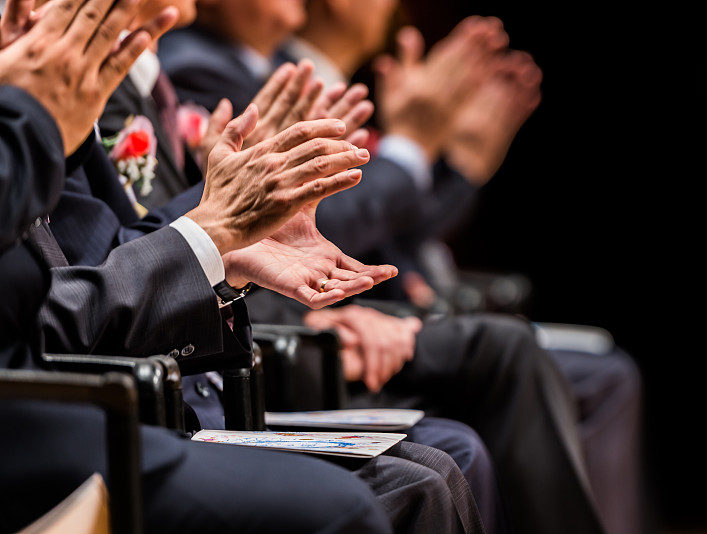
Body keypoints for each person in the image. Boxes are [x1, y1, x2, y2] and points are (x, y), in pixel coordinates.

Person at [0, 2, 488, 533]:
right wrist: (220, 226)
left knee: (444, 457)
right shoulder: (181, 69)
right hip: (74, 419)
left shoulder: (104, 87)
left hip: (155, 384)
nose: (26, 15)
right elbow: (75, 287)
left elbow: (100, 257)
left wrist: (227, 242)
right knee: (421, 460)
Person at [158, 3, 608, 534]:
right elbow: (228, 236)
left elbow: (356, 233)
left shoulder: (257, 71)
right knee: (489, 376)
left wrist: (455, 165)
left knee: (530, 385)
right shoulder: (198, 66)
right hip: (247, 348)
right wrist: (416, 148)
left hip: (294, 320)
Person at [278, 3, 646, 534]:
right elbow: (310, 229)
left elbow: (391, 229)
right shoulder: (228, 72)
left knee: (598, 371)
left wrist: (457, 166)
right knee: (502, 361)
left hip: (366, 312)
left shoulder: (322, 81)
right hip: (304, 333)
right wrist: (414, 151)